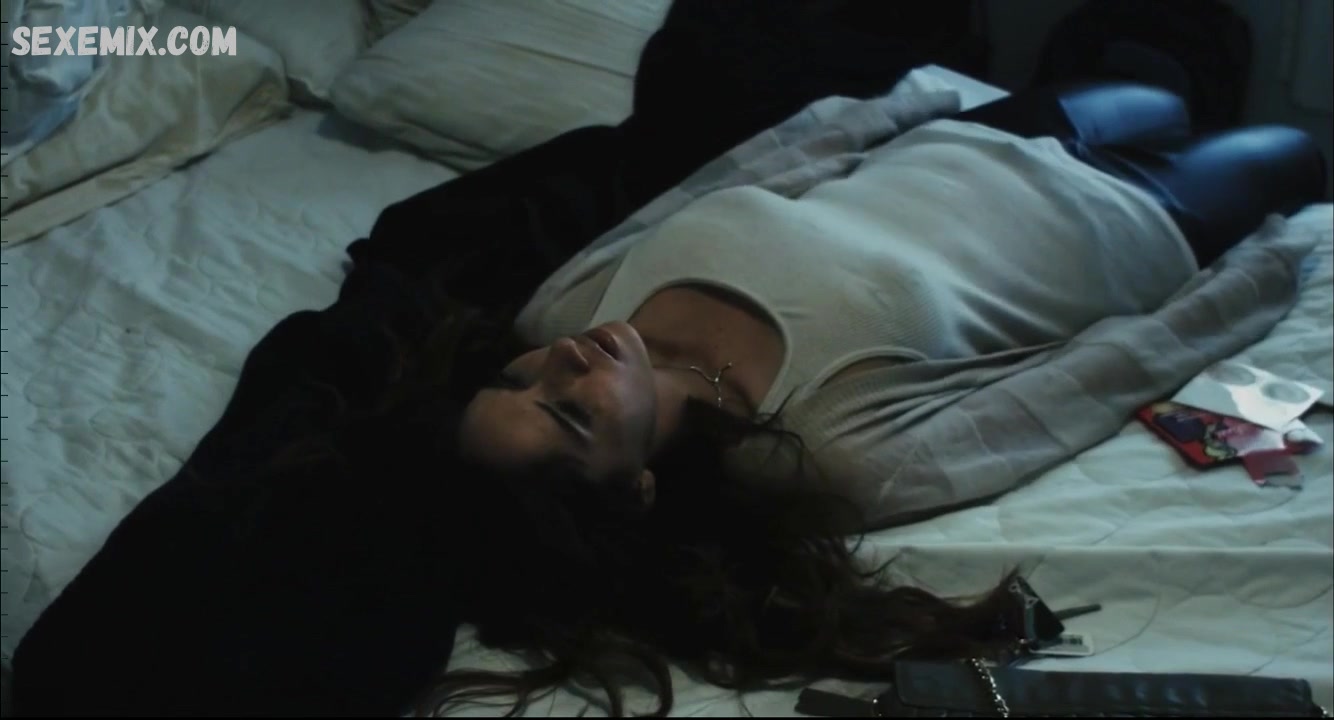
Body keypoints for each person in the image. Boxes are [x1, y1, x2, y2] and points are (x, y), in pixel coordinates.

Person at [13, 32, 1327, 720]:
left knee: (1142, 68)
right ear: (634, 486)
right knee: (1280, 140)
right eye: (568, 410)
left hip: (979, 135)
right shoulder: (841, 451)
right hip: (1136, 224)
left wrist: (910, 99)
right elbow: (1094, 379)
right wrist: (1271, 268)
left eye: (518, 379)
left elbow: (749, 173)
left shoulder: (563, 306)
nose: (562, 359)